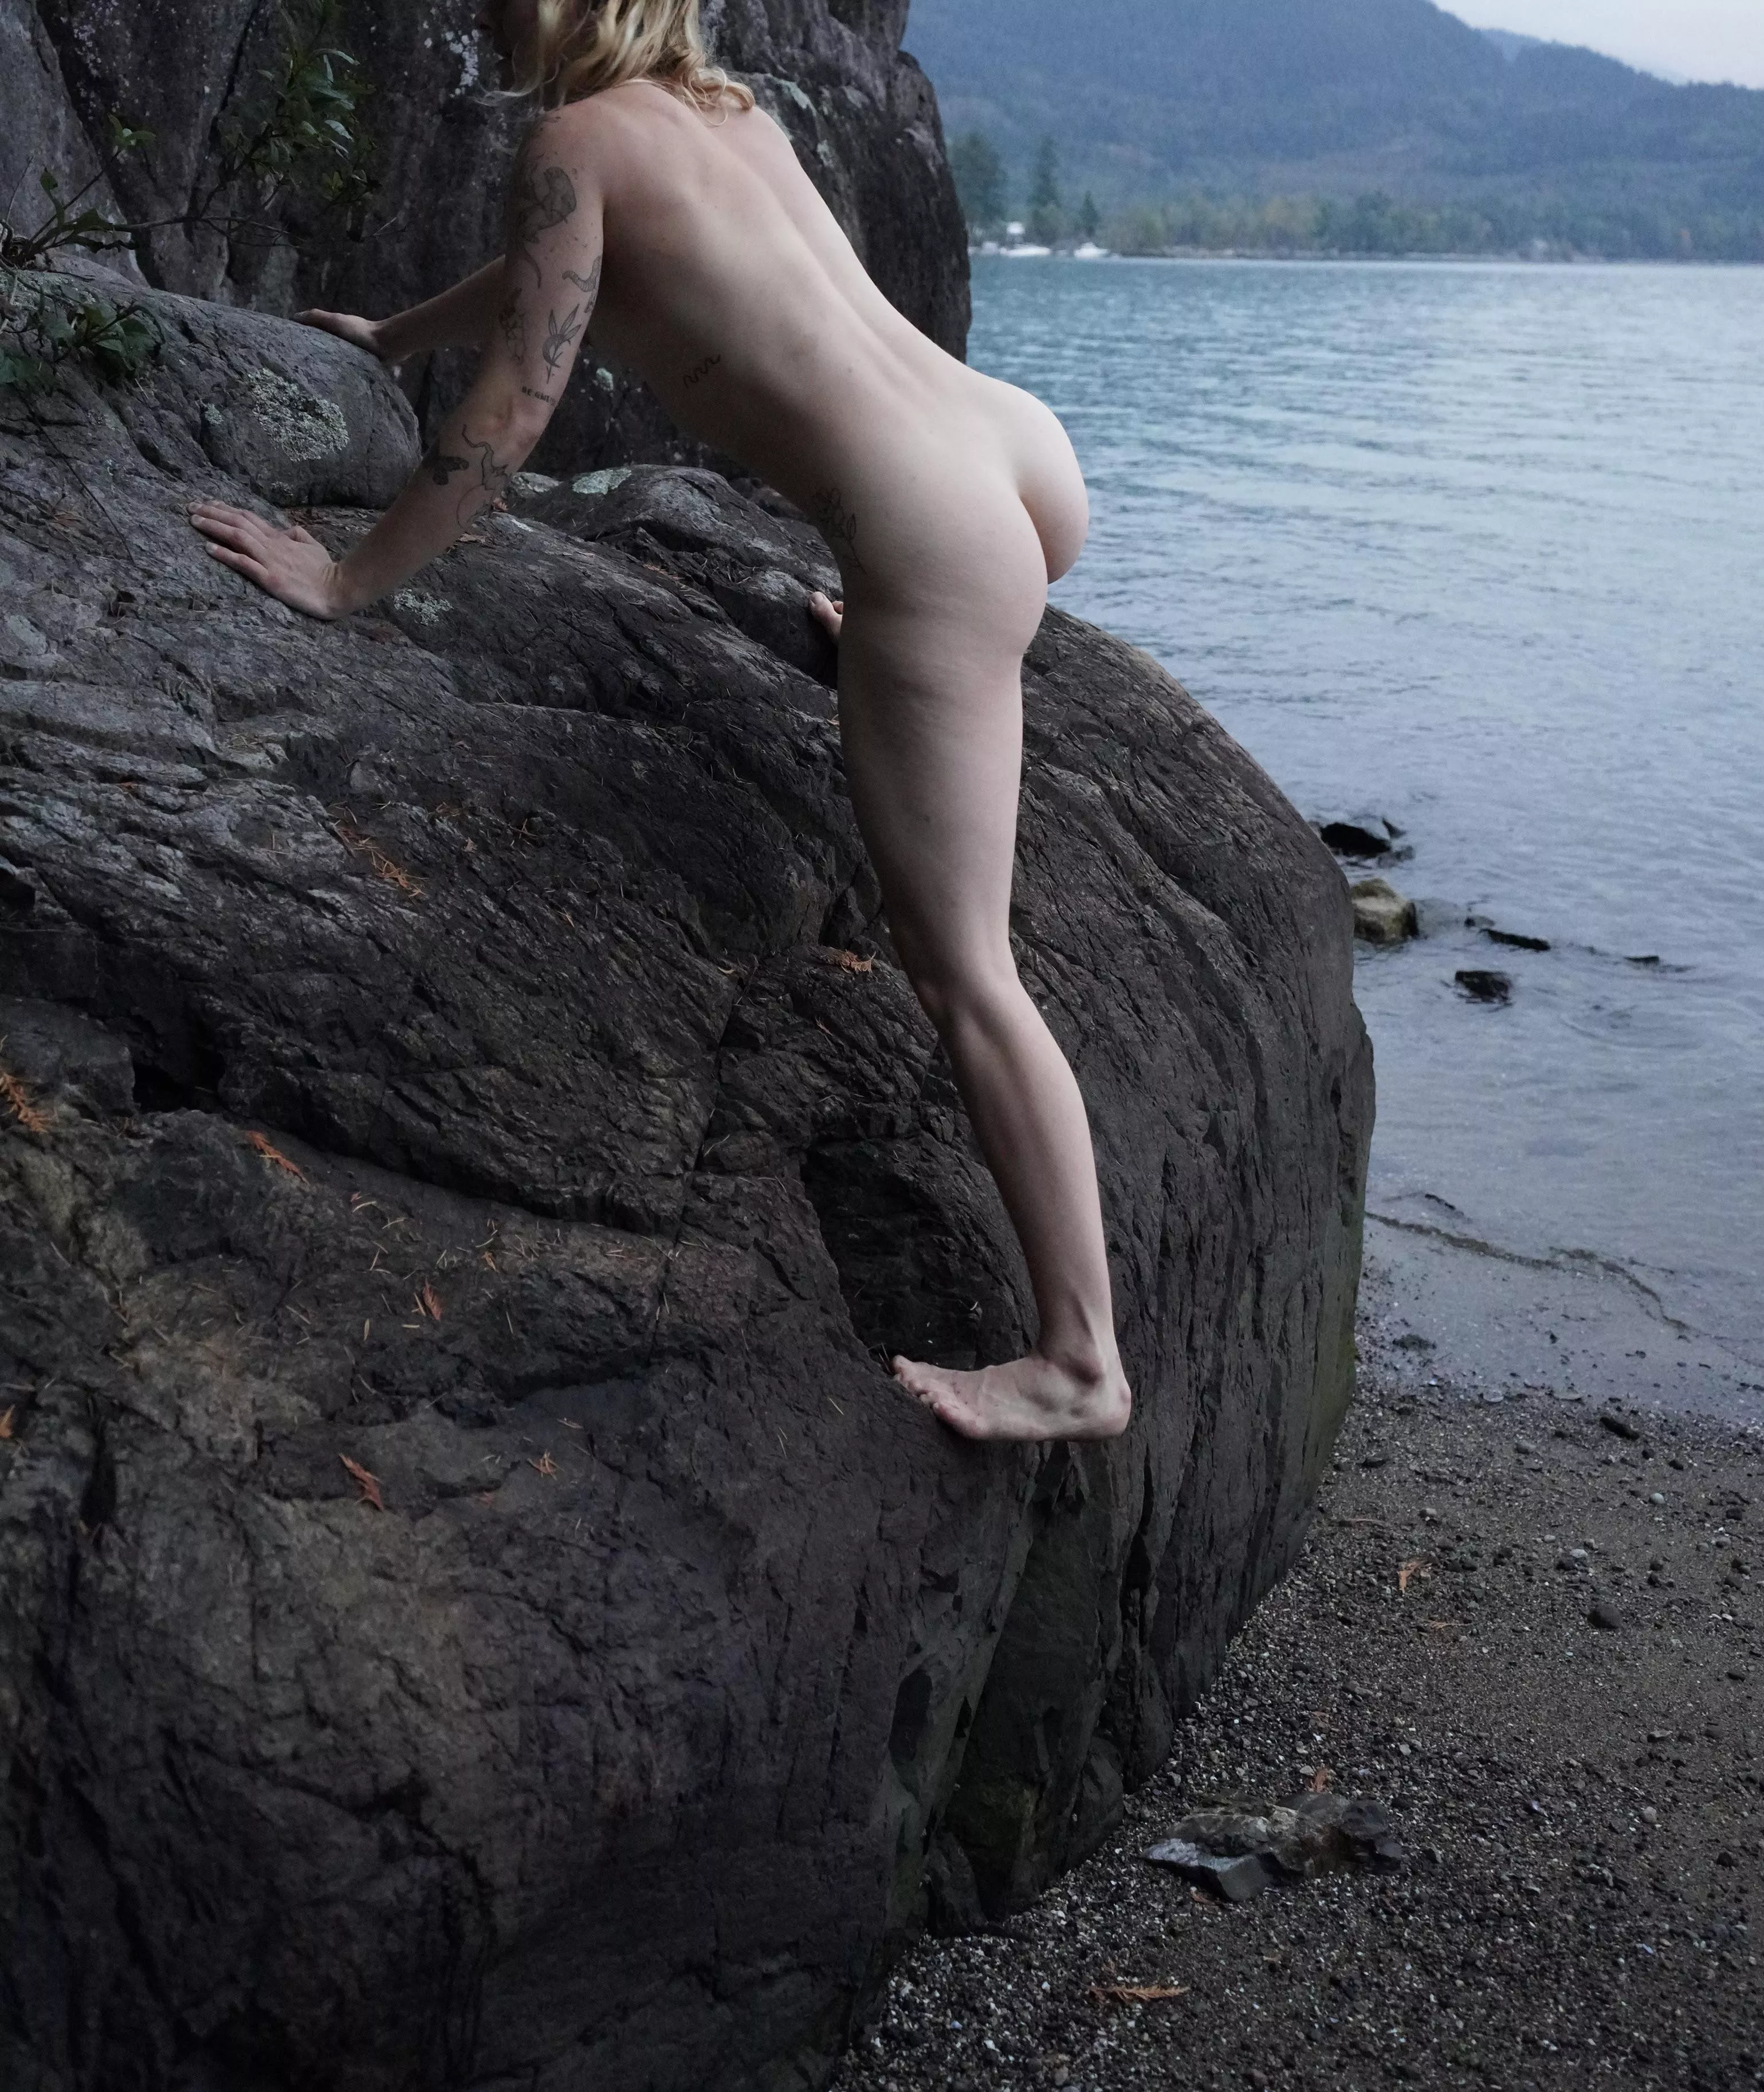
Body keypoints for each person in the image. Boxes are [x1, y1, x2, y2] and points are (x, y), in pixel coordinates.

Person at [189, 0, 1132, 1445]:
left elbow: (515, 403)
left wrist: (346, 576)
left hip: (937, 547)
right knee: (931, 626)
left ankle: (1079, 1362)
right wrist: (395, 331)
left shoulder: (575, 140)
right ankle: (919, 642)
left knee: (965, 975)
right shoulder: (728, 114)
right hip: (1010, 457)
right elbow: (568, 276)